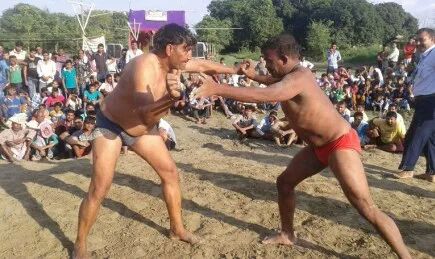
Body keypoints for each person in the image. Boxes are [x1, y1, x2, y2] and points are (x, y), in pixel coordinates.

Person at [194, 33, 411, 258]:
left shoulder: (300, 76)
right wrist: (253, 75)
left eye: (269, 61)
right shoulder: (288, 76)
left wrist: (218, 89)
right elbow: (272, 82)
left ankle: (405, 255)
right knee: (285, 183)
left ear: (284, 58)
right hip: (318, 148)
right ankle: (287, 235)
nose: (267, 65)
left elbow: (270, 94)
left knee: (366, 207)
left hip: (339, 143)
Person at [73, 23, 239, 258]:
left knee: (170, 173)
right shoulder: (143, 65)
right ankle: (80, 243)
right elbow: (144, 113)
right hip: (112, 125)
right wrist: (172, 99)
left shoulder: (174, 63)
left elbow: (203, 65)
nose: (190, 55)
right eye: (187, 50)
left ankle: (177, 229)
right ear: (170, 49)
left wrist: (237, 71)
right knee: (100, 187)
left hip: (141, 130)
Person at [397, 28, 435, 182]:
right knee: (431, 138)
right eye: (417, 39)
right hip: (424, 100)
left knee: (415, 134)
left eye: (422, 39)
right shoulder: (425, 56)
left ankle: (408, 168)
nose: (418, 42)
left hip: (430, 101)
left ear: (432, 39)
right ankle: (432, 172)